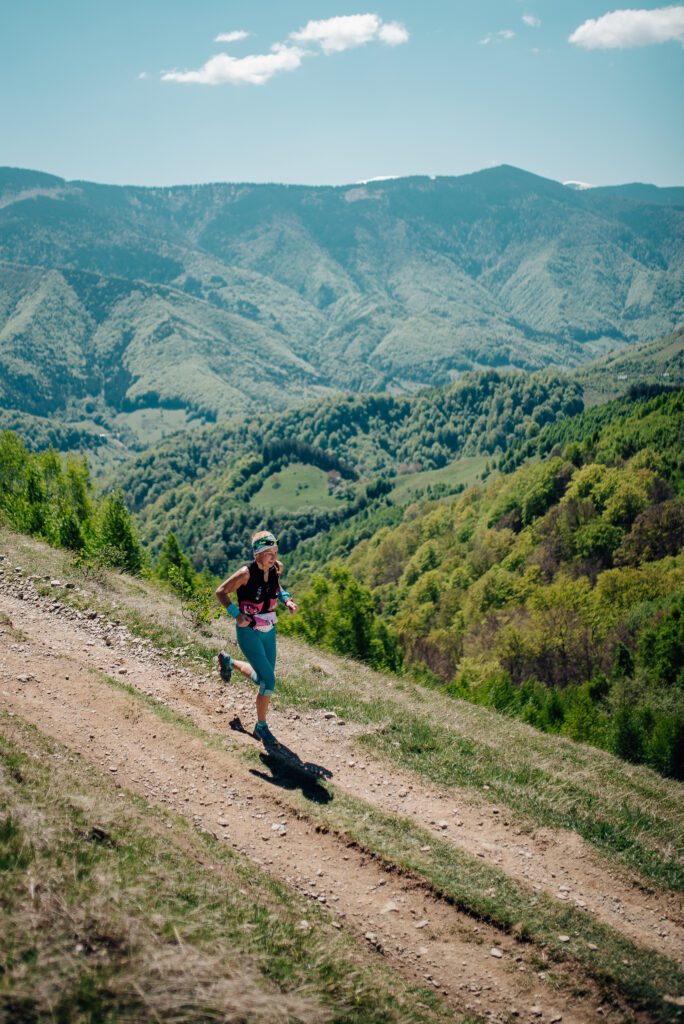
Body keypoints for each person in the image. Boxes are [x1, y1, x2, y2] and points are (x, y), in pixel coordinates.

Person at [215, 530, 297, 745]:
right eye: (269, 553)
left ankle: (229, 662)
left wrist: (287, 600)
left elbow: (276, 587)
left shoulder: (276, 568)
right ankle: (261, 727)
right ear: (257, 554)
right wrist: (236, 614)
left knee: (263, 679)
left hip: (269, 629)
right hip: (248, 630)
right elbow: (221, 591)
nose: (273, 557)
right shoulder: (245, 574)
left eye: (275, 552)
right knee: (269, 681)